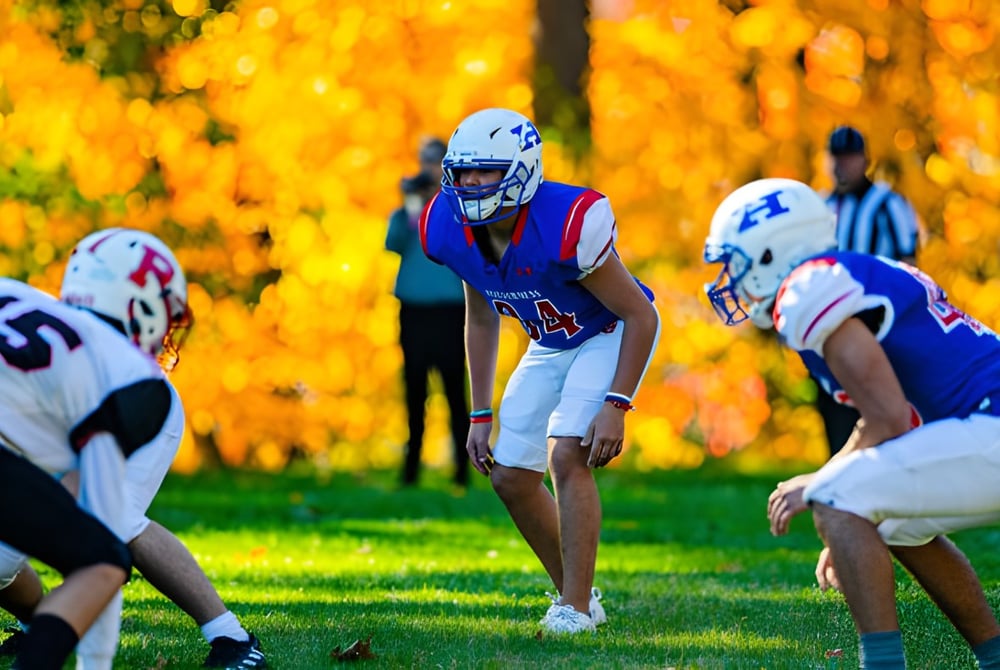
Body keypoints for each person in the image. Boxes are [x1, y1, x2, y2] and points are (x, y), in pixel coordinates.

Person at [703, 177, 1000, 669]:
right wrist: (850, 514)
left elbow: (886, 416)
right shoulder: (844, 273)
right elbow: (893, 416)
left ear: (771, 251)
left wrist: (828, 487)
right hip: (984, 423)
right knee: (895, 522)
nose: (728, 278)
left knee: (837, 498)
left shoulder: (806, 288)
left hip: (991, 423)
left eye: (733, 261)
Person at [420, 108, 660, 634]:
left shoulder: (567, 221)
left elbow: (641, 313)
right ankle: (579, 595)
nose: (469, 183)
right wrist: (478, 412)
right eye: (462, 172)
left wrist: (616, 404)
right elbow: (481, 314)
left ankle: (573, 610)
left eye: (485, 171)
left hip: (607, 333)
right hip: (550, 342)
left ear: (522, 171)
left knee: (567, 452)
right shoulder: (446, 227)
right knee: (508, 477)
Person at [0, 228, 265, 669]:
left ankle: (232, 638)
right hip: (72, 403)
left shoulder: (127, 380)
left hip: (126, 412)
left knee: (108, 523)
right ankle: (40, 624)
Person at [817, 125, 921, 456]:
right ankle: (839, 477)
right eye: (836, 157)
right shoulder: (822, 206)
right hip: (830, 323)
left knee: (878, 403)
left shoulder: (887, 203)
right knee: (834, 404)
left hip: (877, 320)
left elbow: (909, 261)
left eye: (849, 157)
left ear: (865, 160)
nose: (841, 165)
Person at [386, 137, 471, 488]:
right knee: (414, 391)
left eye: (436, 162)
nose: (429, 168)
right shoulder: (409, 210)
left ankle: (463, 471)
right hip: (414, 311)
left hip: (451, 311)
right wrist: (411, 203)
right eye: (425, 161)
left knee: (455, 391)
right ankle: (411, 472)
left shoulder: (458, 207)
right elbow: (393, 243)